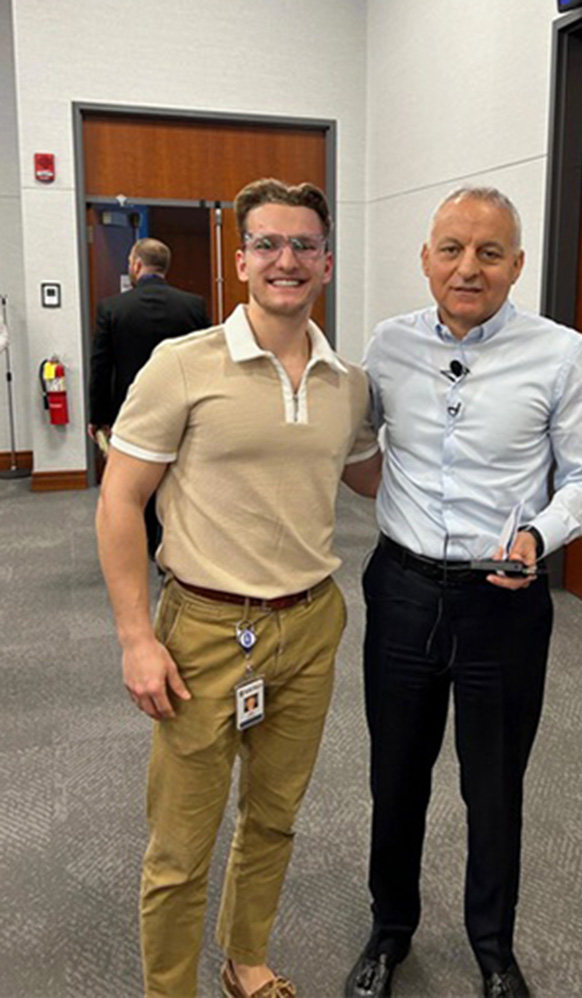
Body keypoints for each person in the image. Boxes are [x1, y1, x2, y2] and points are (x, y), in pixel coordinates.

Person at [96, 179, 380, 998]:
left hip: (311, 622)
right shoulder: (183, 366)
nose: (285, 260)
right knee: (181, 843)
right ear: (240, 257)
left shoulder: (345, 382)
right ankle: (170, 988)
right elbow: (120, 500)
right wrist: (134, 638)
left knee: (275, 816)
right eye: (267, 244)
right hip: (204, 631)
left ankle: (245, 957)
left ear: (326, 261)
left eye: (302, 246)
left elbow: (370, 476)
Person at [345, 186, 582, 998]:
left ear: (516, 265)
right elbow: (360, 452)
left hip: (504, 600)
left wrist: (537, 535)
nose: (469, 267)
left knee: (493, 785)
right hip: (403, 591)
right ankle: (390, 932)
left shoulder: (562, 353)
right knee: (396, 776)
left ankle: (494, 950)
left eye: (489, 252)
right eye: (452, 249)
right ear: (425, 259)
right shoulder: (386, 347)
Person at [89, 237, 210, 558]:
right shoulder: (193, 305)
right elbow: (208, 361)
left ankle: (142, 545)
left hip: (132, 413)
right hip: (185, 411)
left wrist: (98, 417)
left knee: (135, 485)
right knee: (181, 478)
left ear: (137, 265)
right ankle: (174, 543)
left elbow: (101, 366)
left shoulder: (112, 308)